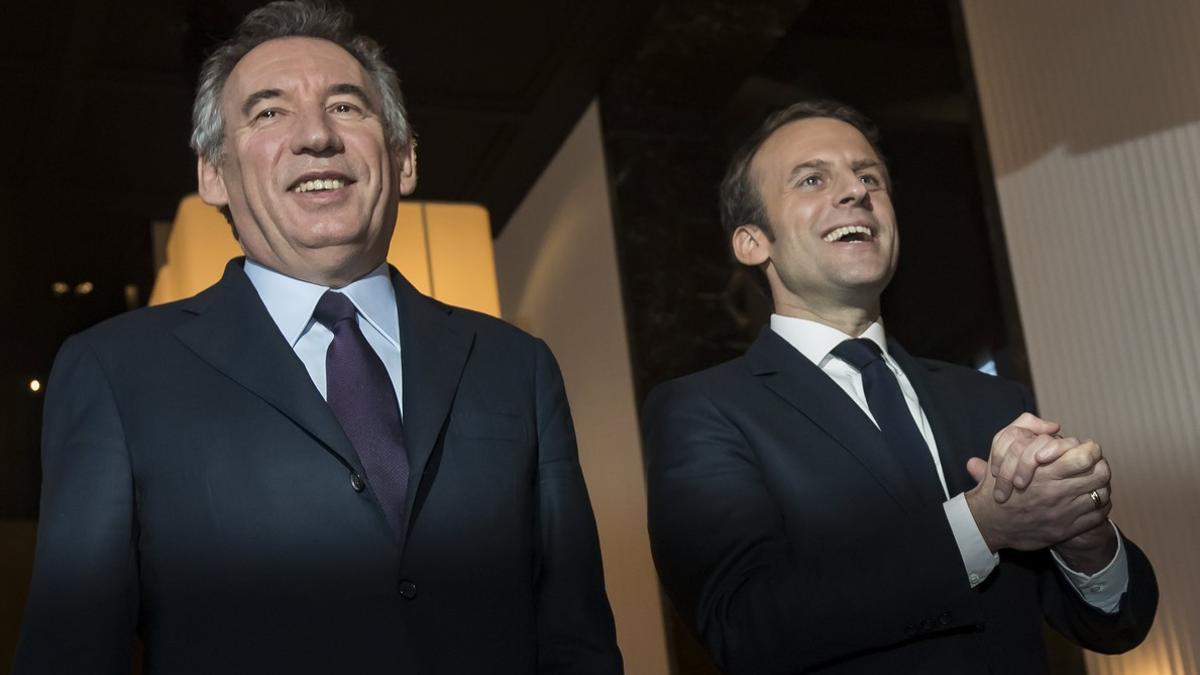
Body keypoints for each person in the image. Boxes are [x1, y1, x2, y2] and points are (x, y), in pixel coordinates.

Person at [14, 2, 622, 674]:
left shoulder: (517, 366)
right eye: (269, 112)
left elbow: (577, 637)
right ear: (213, 173)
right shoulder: (116, 370)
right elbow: (69, 651)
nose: (317, 137)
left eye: (348, 107)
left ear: (404, 157)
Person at [642, 100, 1156, 674]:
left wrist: (1084, 539)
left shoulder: (991, 401)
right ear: (751, 242)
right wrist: (980, 526)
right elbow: (745, 626)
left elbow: (1115, 625)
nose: (855, 192)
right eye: (813, 179)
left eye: (869, 178)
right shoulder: (704, 410)